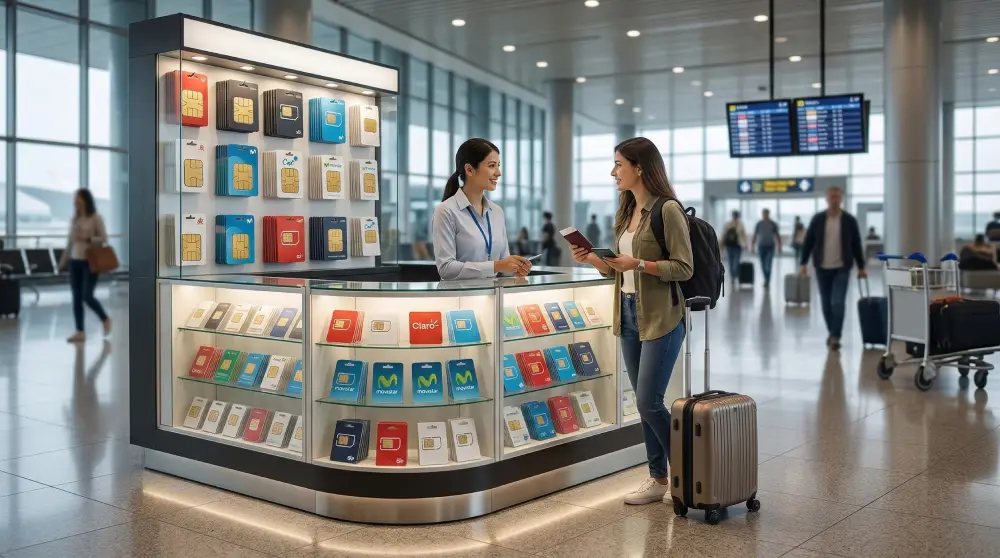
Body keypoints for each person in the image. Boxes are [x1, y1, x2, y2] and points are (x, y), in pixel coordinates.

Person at [569, 137, 693, 506]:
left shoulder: (667, 210)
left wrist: (640, 263)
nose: (613, 172)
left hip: (661, 316)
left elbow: (684, 268)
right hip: (626, 312)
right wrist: (592, 260)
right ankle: (658, 479)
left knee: (648, 400)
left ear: (640, 167)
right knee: (643, 403)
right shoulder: (625, 212)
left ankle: (687, 473)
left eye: (619, 164)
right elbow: (618, 273)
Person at [433, 138, 531, 281]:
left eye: (498, 165)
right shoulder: (446, 211)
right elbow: (446, 269)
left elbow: (504, 263)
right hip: (459, 299)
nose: (498, 173)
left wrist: (516, 268)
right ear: (469, 169)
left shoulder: (497, 212)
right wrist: (495, 266)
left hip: (493, 298)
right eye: (492, 166)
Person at [799, 186, 866, 351]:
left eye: (837, 197)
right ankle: (832, 331)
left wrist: (861, 266)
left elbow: (856, 243)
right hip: (822, 267)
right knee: (826, 304)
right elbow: (808, 241)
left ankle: (835, 335)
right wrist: (803, 263)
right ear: (827, 199)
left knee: (837, 302)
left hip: (842, 267)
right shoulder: (818, 219)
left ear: (841, 199)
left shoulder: (849, 220)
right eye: (831, 197)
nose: (834, 199)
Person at [58, 189, 112, 343]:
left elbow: (104, 238)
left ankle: (105, 318)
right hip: (74, 262)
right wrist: (63, 261)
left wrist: (88, 238)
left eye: (78, 198)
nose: (75, 201)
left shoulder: (96, 218)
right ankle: (79, 331)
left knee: (87, 295)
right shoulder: (74, 220)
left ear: (85, 200)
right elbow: (69, 243)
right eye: (75, 199)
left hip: (89, 262)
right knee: (76, 297)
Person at [751, 209, 781, 287]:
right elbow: (755, 235)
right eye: (764, 214)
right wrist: (752, 246)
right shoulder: (759, 224)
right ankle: (766, 279)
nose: (765, 215)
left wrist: (780, 246)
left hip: (770, 246)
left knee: (768, 264)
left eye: (766, 213)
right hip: (761, 246)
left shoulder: (773, 224)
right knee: (763, 264)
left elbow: (777, 235)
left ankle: (767, 280)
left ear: (768, 214)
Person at [720, 210, 747, 284]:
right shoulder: (728, 224)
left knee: (736, 262)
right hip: (729, 246)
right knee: (730, 262)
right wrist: (722, 244)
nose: (735, 216)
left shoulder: (741, 224)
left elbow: (743, 234)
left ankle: (735, 274)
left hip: (738, 246)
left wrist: (745, 244)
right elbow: (724, 234)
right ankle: (732, 277)